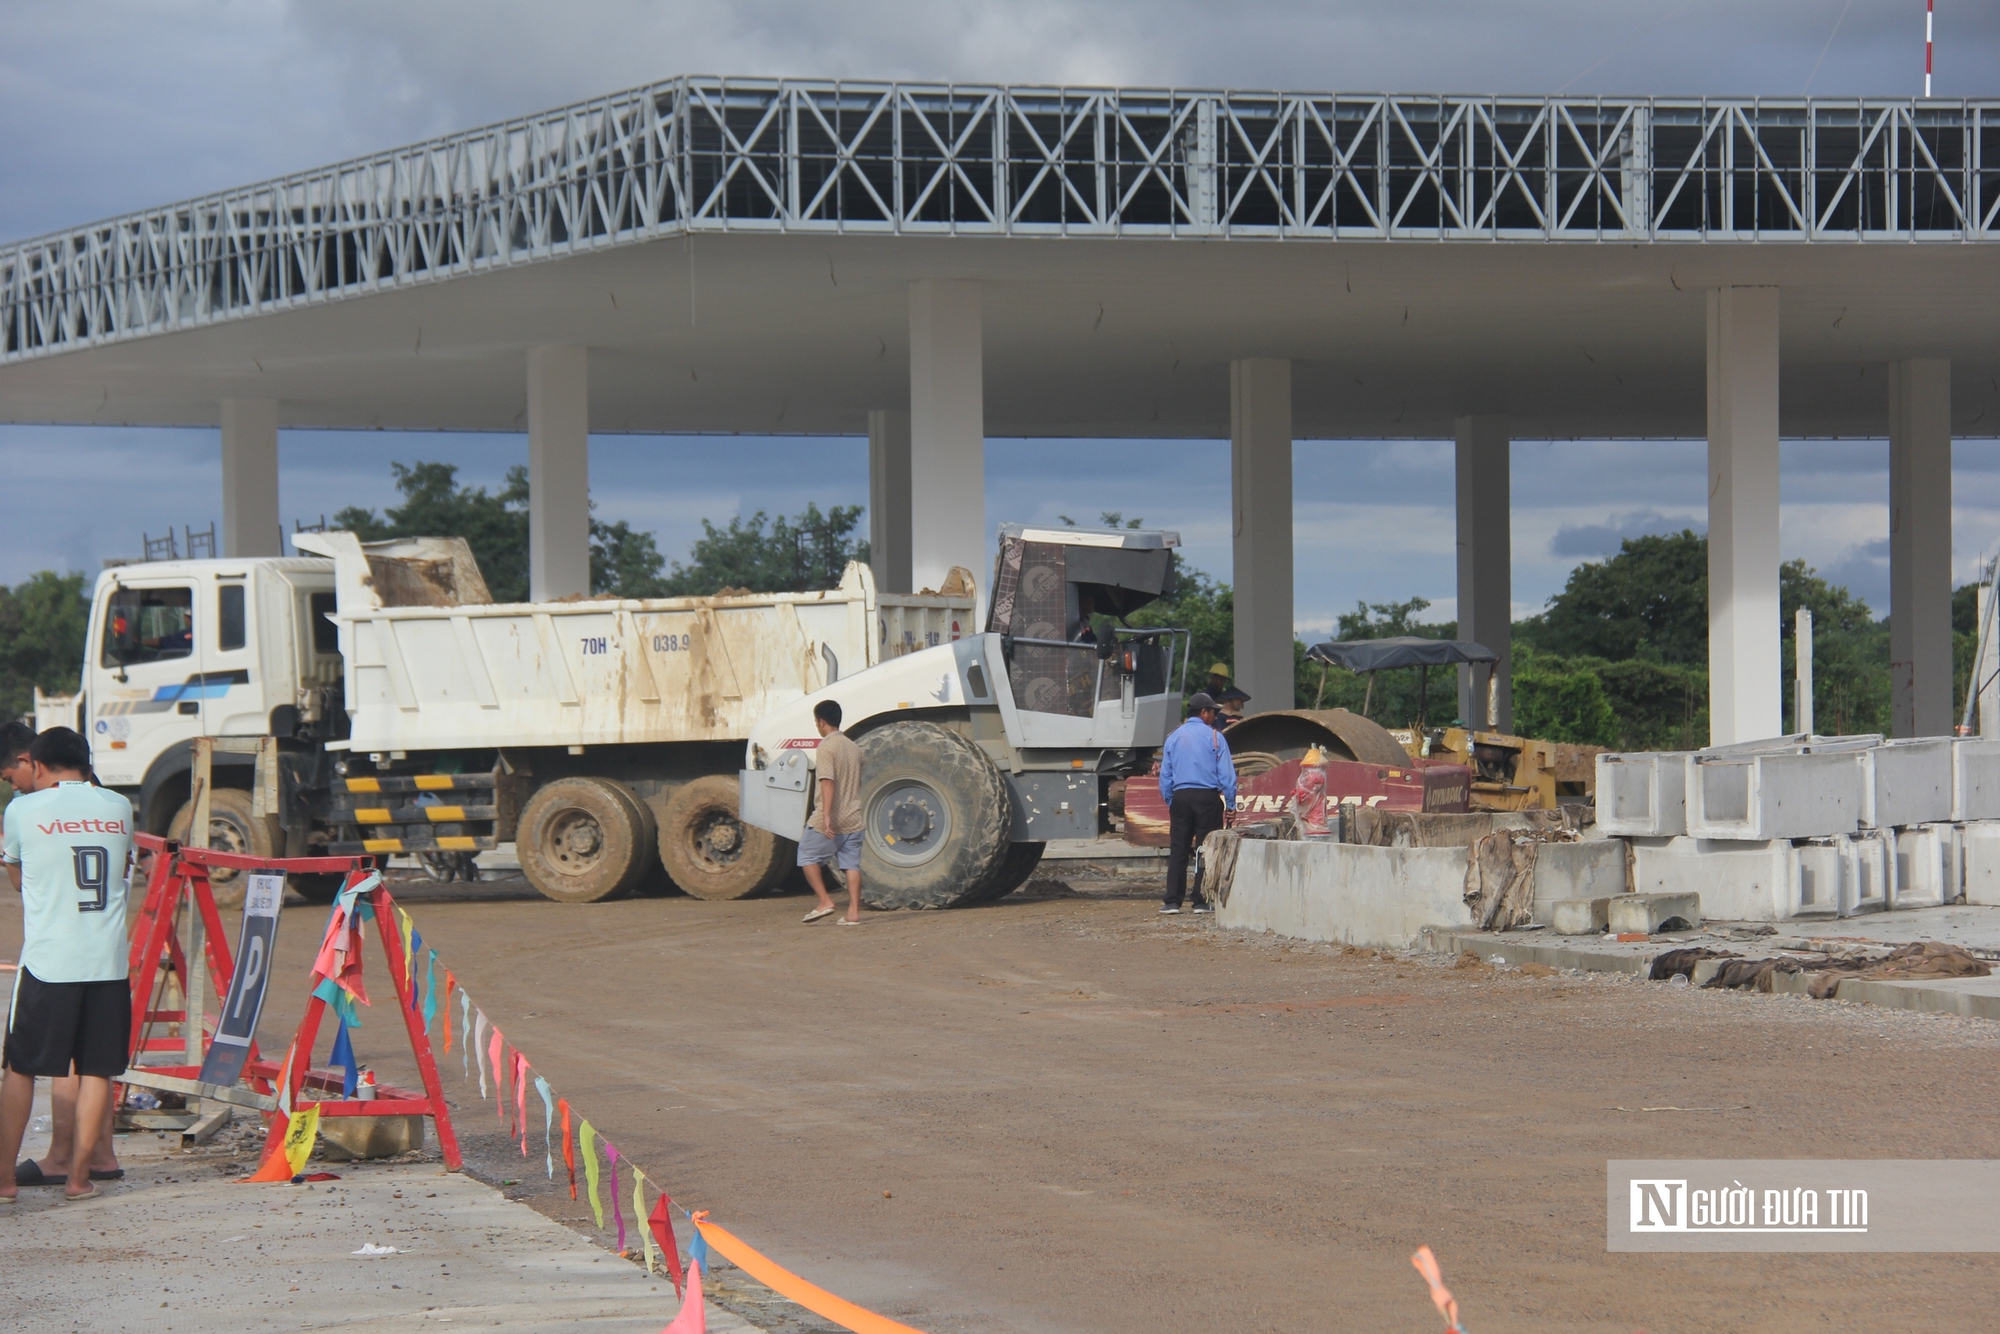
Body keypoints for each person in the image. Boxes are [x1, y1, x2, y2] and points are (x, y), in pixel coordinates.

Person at [0, 727, 136, 1203]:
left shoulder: (21, 811)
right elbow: (120, 872)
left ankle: (4, 1183)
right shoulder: (120, 807)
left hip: (49, 963)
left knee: (20, 1068)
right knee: (97, 1069)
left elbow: (18, 878)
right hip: (107, 963)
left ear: (36, 764)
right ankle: (79, 1180)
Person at [1157, 692, 1236, 916]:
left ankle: (1172, 901)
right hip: (1208, 799)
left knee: (1178, 849)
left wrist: (1173, 801)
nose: (1214, 716)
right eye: (1213, 712)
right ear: (1203, 712)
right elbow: (1227, 776)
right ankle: (1201, 901)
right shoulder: (1215, 737)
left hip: (1181, 797)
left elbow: (1166, 777)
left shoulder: (1173, 737)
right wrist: (1230, 805)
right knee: (1205, 849)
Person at [799, 700, 865, 926]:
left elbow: (827, 782)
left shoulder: (826, 747)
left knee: (806, 856)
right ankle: (853, 913)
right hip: (854, 817)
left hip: (832, 817)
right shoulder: (854, 748)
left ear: (821, 722)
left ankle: (825, 901)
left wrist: (826, 816)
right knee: (851, 865)